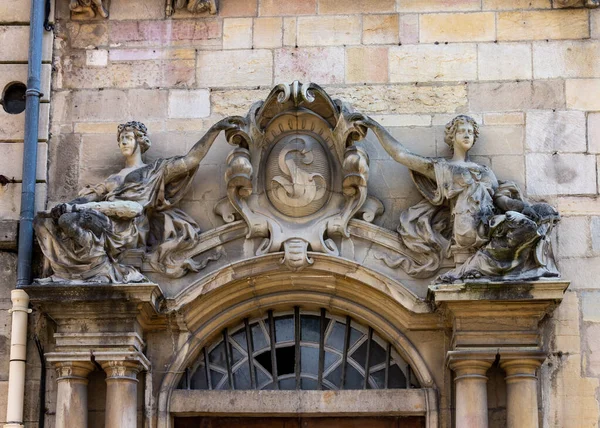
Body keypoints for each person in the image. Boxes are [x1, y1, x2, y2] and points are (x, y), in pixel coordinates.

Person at [34, 118, 240, 283]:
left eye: (127, 138)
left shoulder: (154, 170)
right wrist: (61, 209)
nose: (123, 142)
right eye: (121, 139)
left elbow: (190, 161)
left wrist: (214, 129)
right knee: (53, 222)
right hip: (105, 219)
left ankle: (97, 265)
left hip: (129, 227)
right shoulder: (113, 179)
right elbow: (87, 198)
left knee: (75, 220)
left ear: (139, 141)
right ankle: (94, 264)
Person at [357, 114, 559, 281]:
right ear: (452, 136)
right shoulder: (446, 169)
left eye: (470, 132)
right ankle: (475, 267)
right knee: (519, 228)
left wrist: (523, 209)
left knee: (529, 225)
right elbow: (402, 156)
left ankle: (483, 265)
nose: (467, 135)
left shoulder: (485, 171)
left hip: (490, 222)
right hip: (467, 226)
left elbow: (501, 200)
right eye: (462, 130)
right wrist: (375, 127)